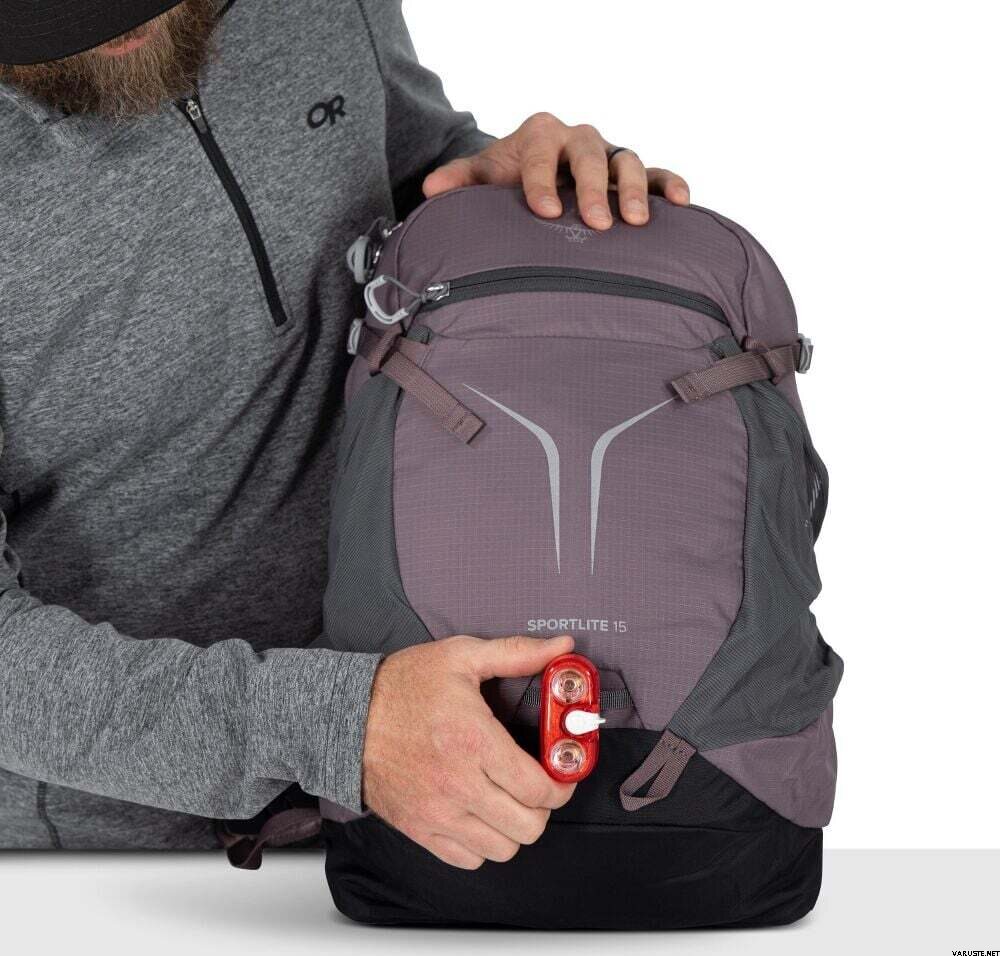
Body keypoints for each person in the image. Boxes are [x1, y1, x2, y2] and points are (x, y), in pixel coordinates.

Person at [0, 0, 689, 869]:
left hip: (451, 770)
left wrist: (499, 187)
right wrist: (337, 726)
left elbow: (405, 163)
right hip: (118, 863)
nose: (117, 27)